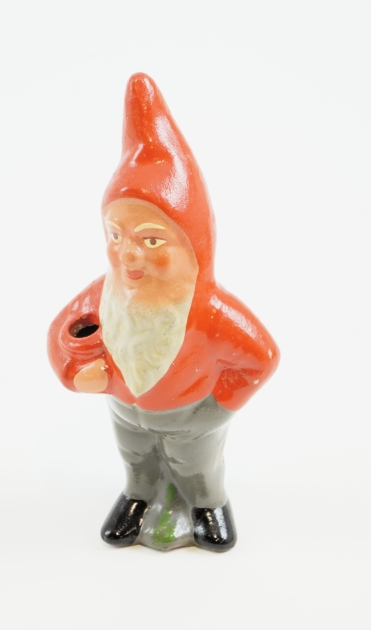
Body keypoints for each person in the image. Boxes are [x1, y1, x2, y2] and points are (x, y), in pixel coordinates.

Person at [48, 73, 279, 552]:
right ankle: (137, 497)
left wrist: (216, 408)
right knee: (136, 458)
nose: (128, 255)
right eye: (116, 236)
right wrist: (74, 370)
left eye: (151, 240)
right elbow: (62, 332)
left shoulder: (211, 311)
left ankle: (208, 506)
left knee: (195, 466)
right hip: (125, 409)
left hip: (189, 415)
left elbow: (262, 358)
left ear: (193, 246)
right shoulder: (106, 293)